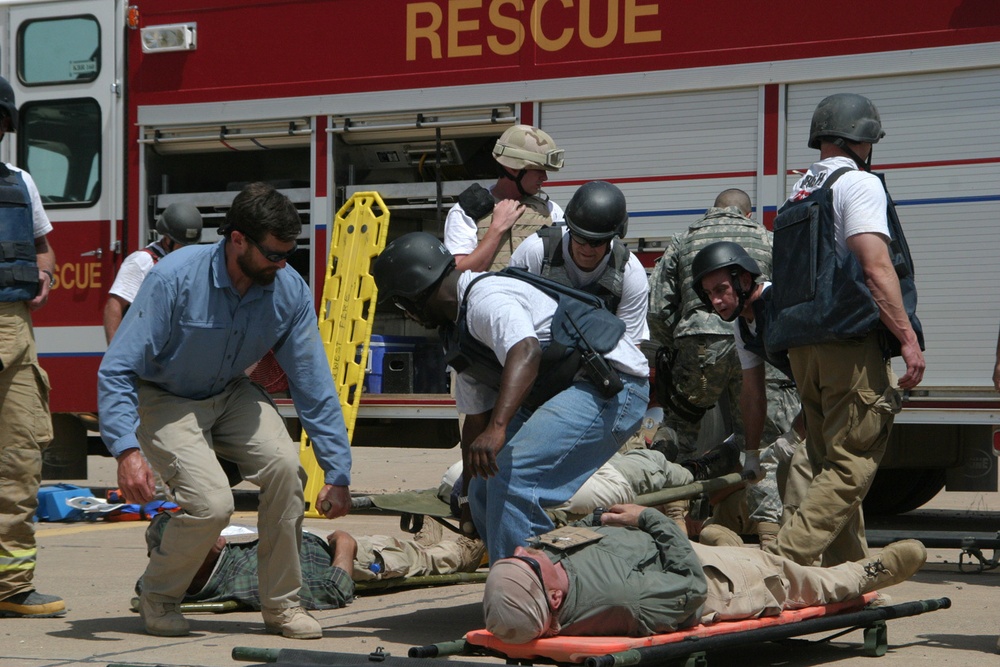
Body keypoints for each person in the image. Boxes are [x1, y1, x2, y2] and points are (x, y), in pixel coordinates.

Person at [98, 182, 353, 639]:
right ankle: (158, 597)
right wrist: (125, 450)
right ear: (237, 240)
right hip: (166, 396)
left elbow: (312, 382)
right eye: (273, 254)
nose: (282, 264)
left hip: (231, 392)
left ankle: (283, 606)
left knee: (285, 471)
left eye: (287, 253)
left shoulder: (287, 290)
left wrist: (338, 470)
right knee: (212, 504)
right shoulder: (174, 277)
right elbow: (117, 368)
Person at [372, 232, 649, 564]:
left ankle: (544, 588)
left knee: (515, 480)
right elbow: (476, 421)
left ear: (416, 294)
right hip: (573, 388)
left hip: (613, 386)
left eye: (402, 304)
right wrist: (467, 499)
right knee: (483, 487)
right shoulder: (457, 331)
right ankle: (518, 577)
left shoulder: (486, 297)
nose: (407, 314)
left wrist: (499, 427)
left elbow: (526, 350)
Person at [765, 93, 925, 567]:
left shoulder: (800, 192)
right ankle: (780, 561)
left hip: (804, 350)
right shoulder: (858, 185)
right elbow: (875, 268)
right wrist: (908, 341)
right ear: (863, 139)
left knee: (826, 469)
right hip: (847, 349)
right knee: (850, 466)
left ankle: (847, 578)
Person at [482, 504, 926, 643]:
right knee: (794, 576)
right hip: (718, 582)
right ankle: (867, 573)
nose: (533, 552)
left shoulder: (539, 567)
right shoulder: (624, 602)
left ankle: (722, 539)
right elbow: (691, 586)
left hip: (671, 552)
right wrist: (651, 518)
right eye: (536, 564)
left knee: (746, 549)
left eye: (527, 556)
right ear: (554, 601)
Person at [647, 189, 780, 461]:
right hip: (758, 340)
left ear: (713, 209)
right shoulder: (767, 238)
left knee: (679, 428)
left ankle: (668, 495)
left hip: (699, 342)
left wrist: (679, 345)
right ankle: (757, 493)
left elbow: (658, 308)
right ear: (748, 214)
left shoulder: (684, 239)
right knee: (760, 438)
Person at [691, 241, 808, 547]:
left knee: (808, 479)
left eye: (721, 290)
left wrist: (796, 433)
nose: (715, 301)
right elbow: (752, 392)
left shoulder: (780, 307)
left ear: (744, 280)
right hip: (818, 399)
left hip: (835, 396)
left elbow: (819, 379)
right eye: (709, 295)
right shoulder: (744, 325)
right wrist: (752, 453)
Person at [136, 512, 486, 612]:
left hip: (323, 543)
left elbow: (147, 584)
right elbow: (333, 592)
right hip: (360, 557)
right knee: (434, 557)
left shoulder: (171, 577)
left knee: (411, 545)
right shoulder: (248, 582)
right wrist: (345, 547)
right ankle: (469, 547)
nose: (220, 535)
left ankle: (430, 538)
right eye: (207, 537)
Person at [0, 76, 64, 619]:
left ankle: (11, 588)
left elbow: (44, 249)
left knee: (20, 460)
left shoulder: (20, 181)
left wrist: (43, 276)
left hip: (14, 332)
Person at [509, 180, 649, 346]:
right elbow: (510, 320)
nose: (587, 249)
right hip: (537, 351)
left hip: (599, 355)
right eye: (580, 238)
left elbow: (631, 344)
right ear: (569, 227)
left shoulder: (629, 271)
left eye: (597, 242)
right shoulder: (535, 252)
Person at [444, 124, 564, 272]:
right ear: (513, 168)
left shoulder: (551, 210)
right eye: (538, 169)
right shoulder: (466, 211)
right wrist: (497, 228)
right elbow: (459, 273)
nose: (544, 177)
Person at [103, 202, 203, 342]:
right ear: (167, 238)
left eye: (190, 245)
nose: (186, 249)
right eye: (181, 243)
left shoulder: (196, 263)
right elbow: (115, 305)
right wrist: (114, 356)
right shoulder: (141, 262)